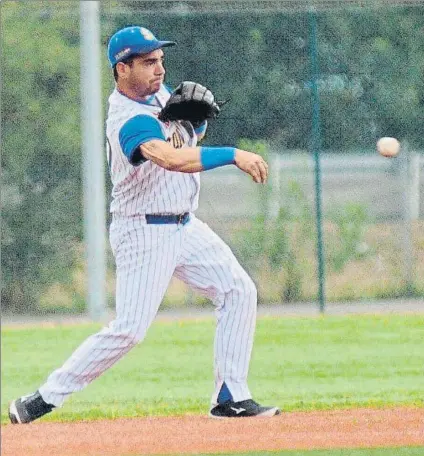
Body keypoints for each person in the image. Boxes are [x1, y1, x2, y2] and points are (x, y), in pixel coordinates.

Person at [9, 26, 280, 424]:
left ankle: (230, 397)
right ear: (122, 69)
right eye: (148, 61)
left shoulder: (161, 97)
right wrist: (233, 154)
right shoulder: (128, 119)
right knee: (130, 330)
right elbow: (169, 158)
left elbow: (183, 141)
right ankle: (44, 398)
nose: (159, 68)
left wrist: (198, 126)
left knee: (238, 290)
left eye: (160, 59)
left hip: (185, 227)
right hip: (144, 231)